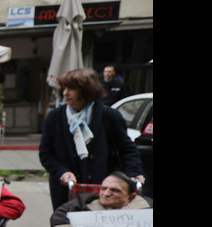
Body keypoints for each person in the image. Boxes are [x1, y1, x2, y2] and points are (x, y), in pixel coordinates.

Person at [39, 68, 144, 211]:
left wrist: (134, 173)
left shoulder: (110, 116)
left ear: (86, 91)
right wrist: (62, 172)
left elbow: (127, 149)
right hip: (66, 190)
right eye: (64, 88)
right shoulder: (54, 117)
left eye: (72, 88)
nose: (65, 93)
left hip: (105, 188)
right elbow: (46, 153)